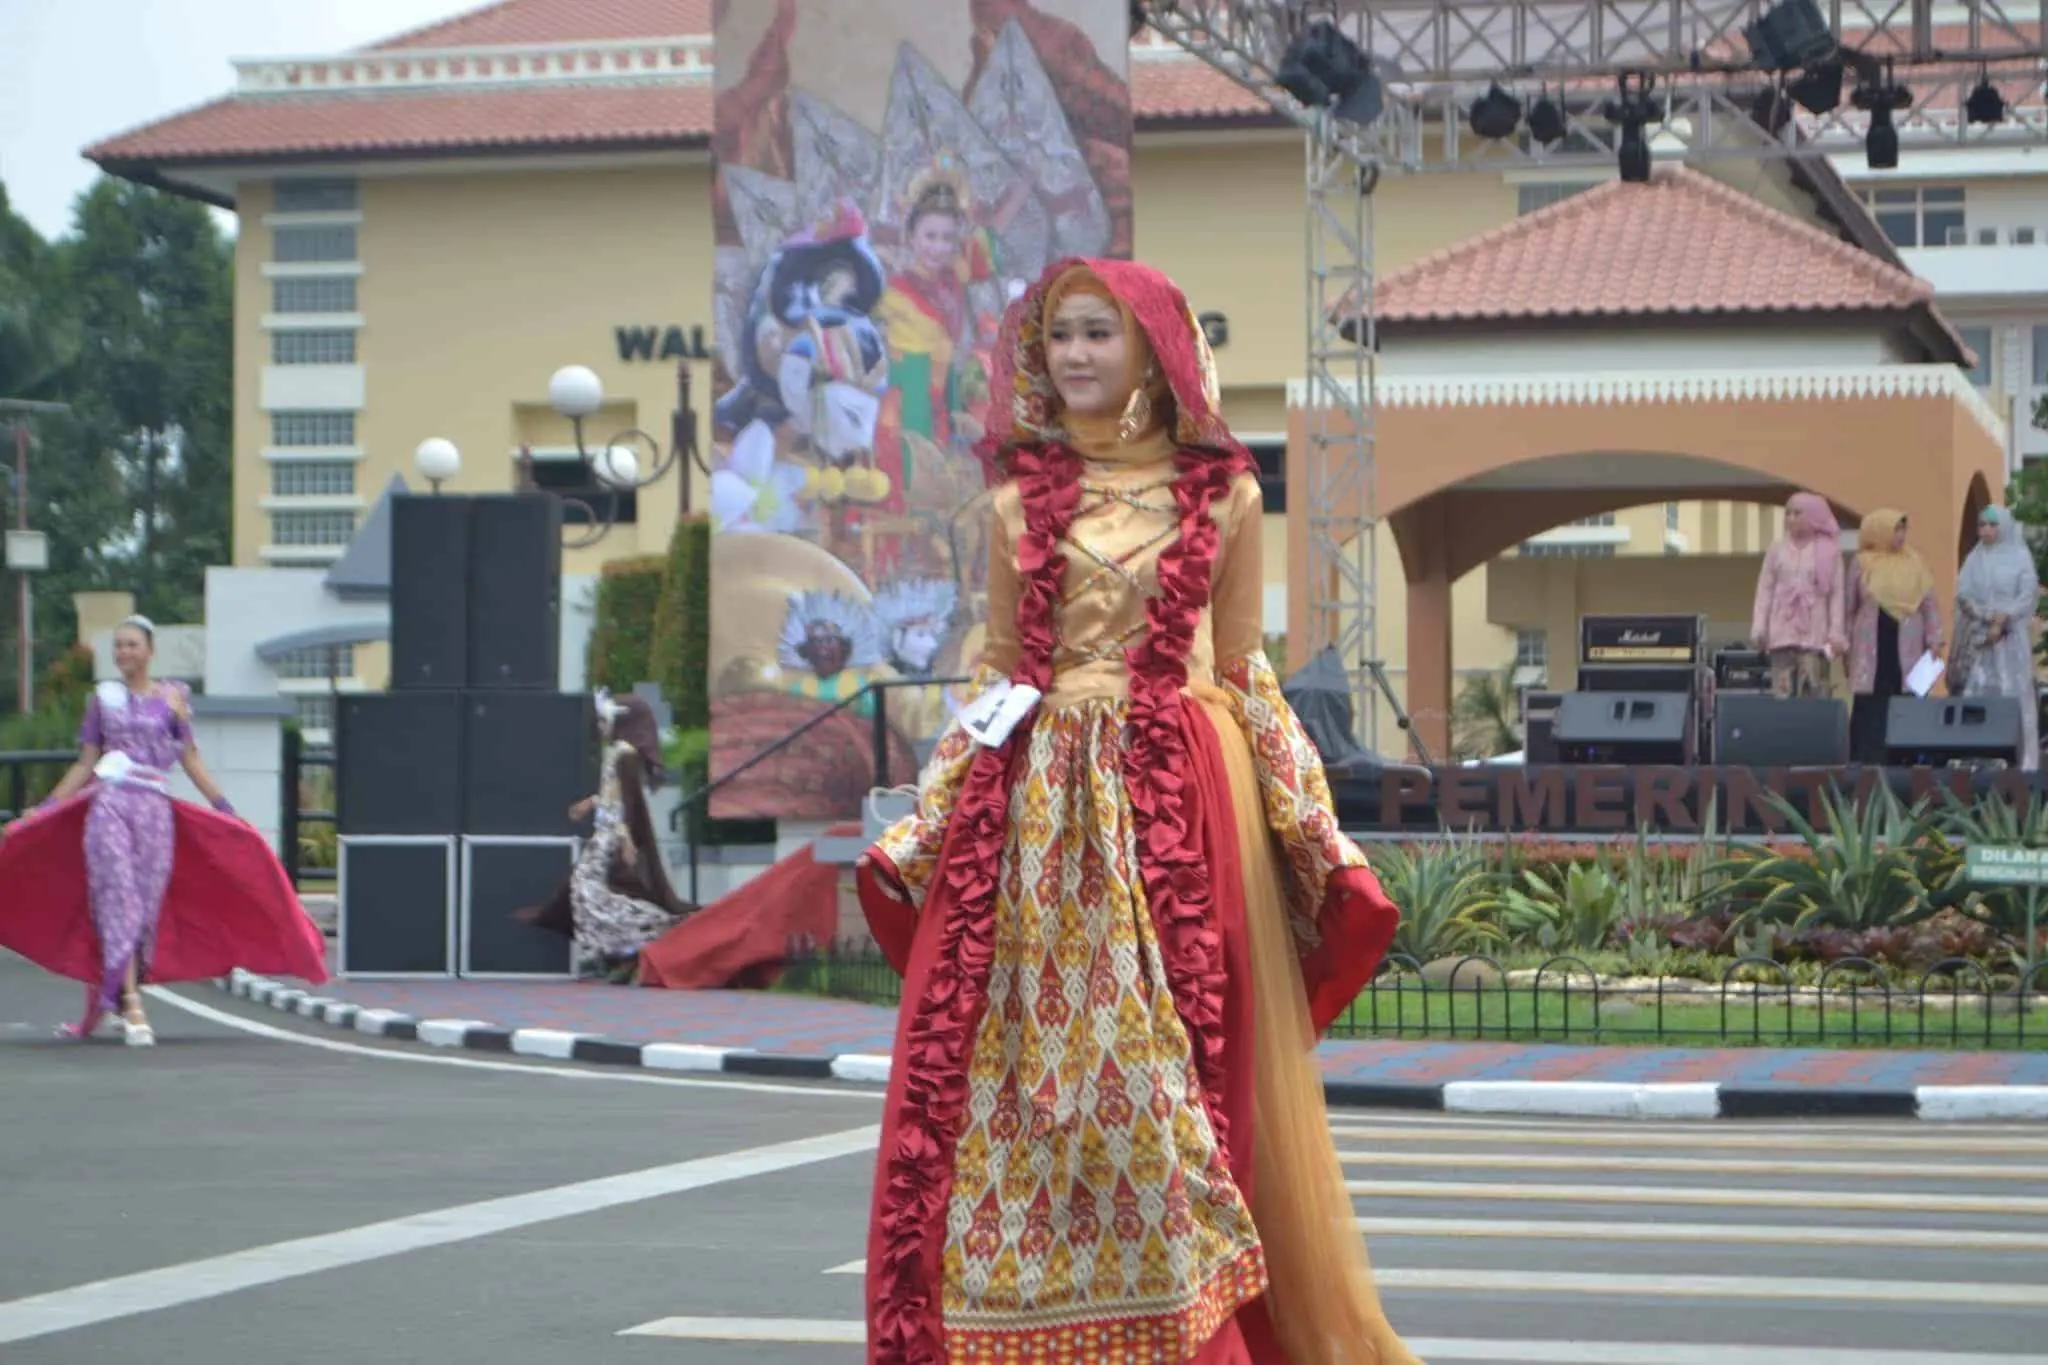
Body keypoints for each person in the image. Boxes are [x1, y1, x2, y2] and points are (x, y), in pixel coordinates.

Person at [855, 259, 1416, 1364]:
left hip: (1180, 798)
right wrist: (931, 815)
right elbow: (1003, 668)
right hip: (1041, 811)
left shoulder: (1228, 494)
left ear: (1152, 350)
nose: (1072, 354)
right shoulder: (1015, 500)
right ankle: (1031, 1324)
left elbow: (1245, 667)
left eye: (1096, 335)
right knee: (1034, 1086)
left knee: (1165, 1085)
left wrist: (1306, 823)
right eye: (1057, 335)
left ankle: (1189, 1328)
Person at [0, 615, 327, 1043]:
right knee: (118, 898)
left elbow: (190, 757)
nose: (123, 653)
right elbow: (86, 762)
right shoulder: (103, 699)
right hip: (109, 805)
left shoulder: (173, 698)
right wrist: (43, 810)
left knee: (145, 908)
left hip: (154, 813)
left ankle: (113, 997)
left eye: (131, 645)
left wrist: (225, 809)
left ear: (150, 651)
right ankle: (133, 1004)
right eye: (118, 646)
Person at [516, 690, 691, 980]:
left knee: (587, 889)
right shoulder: (621, 753)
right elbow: (615, 795)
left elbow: (623, 803)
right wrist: (591, 803)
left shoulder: (622, 754)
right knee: (588, 890)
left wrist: (624, 837)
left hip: (608, 834)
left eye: (603, 720)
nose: (600, 727)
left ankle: (648, 931)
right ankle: (620, 950)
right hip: (608, 831)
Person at [1845, 509, 1943, 765]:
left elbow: (1929, 604)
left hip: (1908, 644)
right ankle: (1866, 761)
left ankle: (1904, 761)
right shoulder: (1861, 563)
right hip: (1871, 644)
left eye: (1902, 530)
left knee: (1905, 703)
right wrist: (1845, 644)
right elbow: (1849, 607)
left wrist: (1935, 639)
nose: (1900, 536)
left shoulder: (1914, 562)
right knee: (1871, 703)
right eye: (1894, 529)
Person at [1954, 505, 2041, 771]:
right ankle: (1977, 762)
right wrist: (1986, 616)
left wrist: (2004, 618)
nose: (1987, 530)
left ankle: (2022, 763)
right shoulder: (1974, 558)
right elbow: (1964, 595)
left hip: (2011, 639)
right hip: (1982, 640)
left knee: (2014, 694)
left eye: (1993, 525)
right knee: (1979, 693)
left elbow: (2027, 595)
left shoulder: (2019, 557)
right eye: (1982, 525)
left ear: (2003, 527)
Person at [1752, 491, 1847, 699]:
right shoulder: (1776, 550)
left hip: (1815, 635)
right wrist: (1759, 627)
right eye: (1788, 513)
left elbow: (1836, 595)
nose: (1791, 519)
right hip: (1781, 633)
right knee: (1782, 695)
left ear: (1813, 516)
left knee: (1813, 692)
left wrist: (1836, 632)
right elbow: (1764, 590)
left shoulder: (1830, 553)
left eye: (1797, 514)